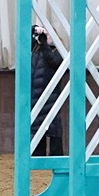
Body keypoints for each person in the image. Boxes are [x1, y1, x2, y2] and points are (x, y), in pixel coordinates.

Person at [30, 24, 64, 156]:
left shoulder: (59, 52)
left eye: (49, 35)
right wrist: (34, 30)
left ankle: (57, 156)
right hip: (36, 95)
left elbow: (53, 61)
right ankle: (38, 155)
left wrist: (43, 44)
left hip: (50, 96)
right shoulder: (36, 50)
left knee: (54, 128)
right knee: (38, 127)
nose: (46, 37)